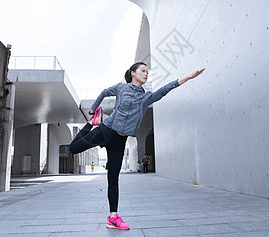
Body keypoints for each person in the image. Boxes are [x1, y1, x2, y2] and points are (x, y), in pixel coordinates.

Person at [69, 62, 204, 230]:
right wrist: (93, 109)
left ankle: (113, 218)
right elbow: (104, 92)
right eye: (143, 71)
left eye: (148, 72)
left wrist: (188, 78)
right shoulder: (121, 88)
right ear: (133, 73)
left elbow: (165, 89)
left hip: (120, 141)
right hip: (105, 131)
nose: (146, 74)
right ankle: (91, 123)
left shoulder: (146, 97)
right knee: (73, 149)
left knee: (113, 178)